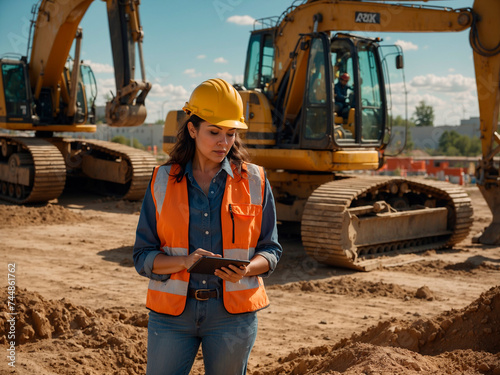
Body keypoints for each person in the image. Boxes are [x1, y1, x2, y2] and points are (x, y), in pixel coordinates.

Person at [133, 78, 283, 375]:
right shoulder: (161, 180)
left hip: (233, 316)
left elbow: (271, 249)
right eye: (214, 132)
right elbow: (142, 256)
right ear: (192, 129)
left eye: (230, 133)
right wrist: (184, 262)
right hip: (172, 316)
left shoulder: (256, 181)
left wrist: (248, 268)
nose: (223, 142)